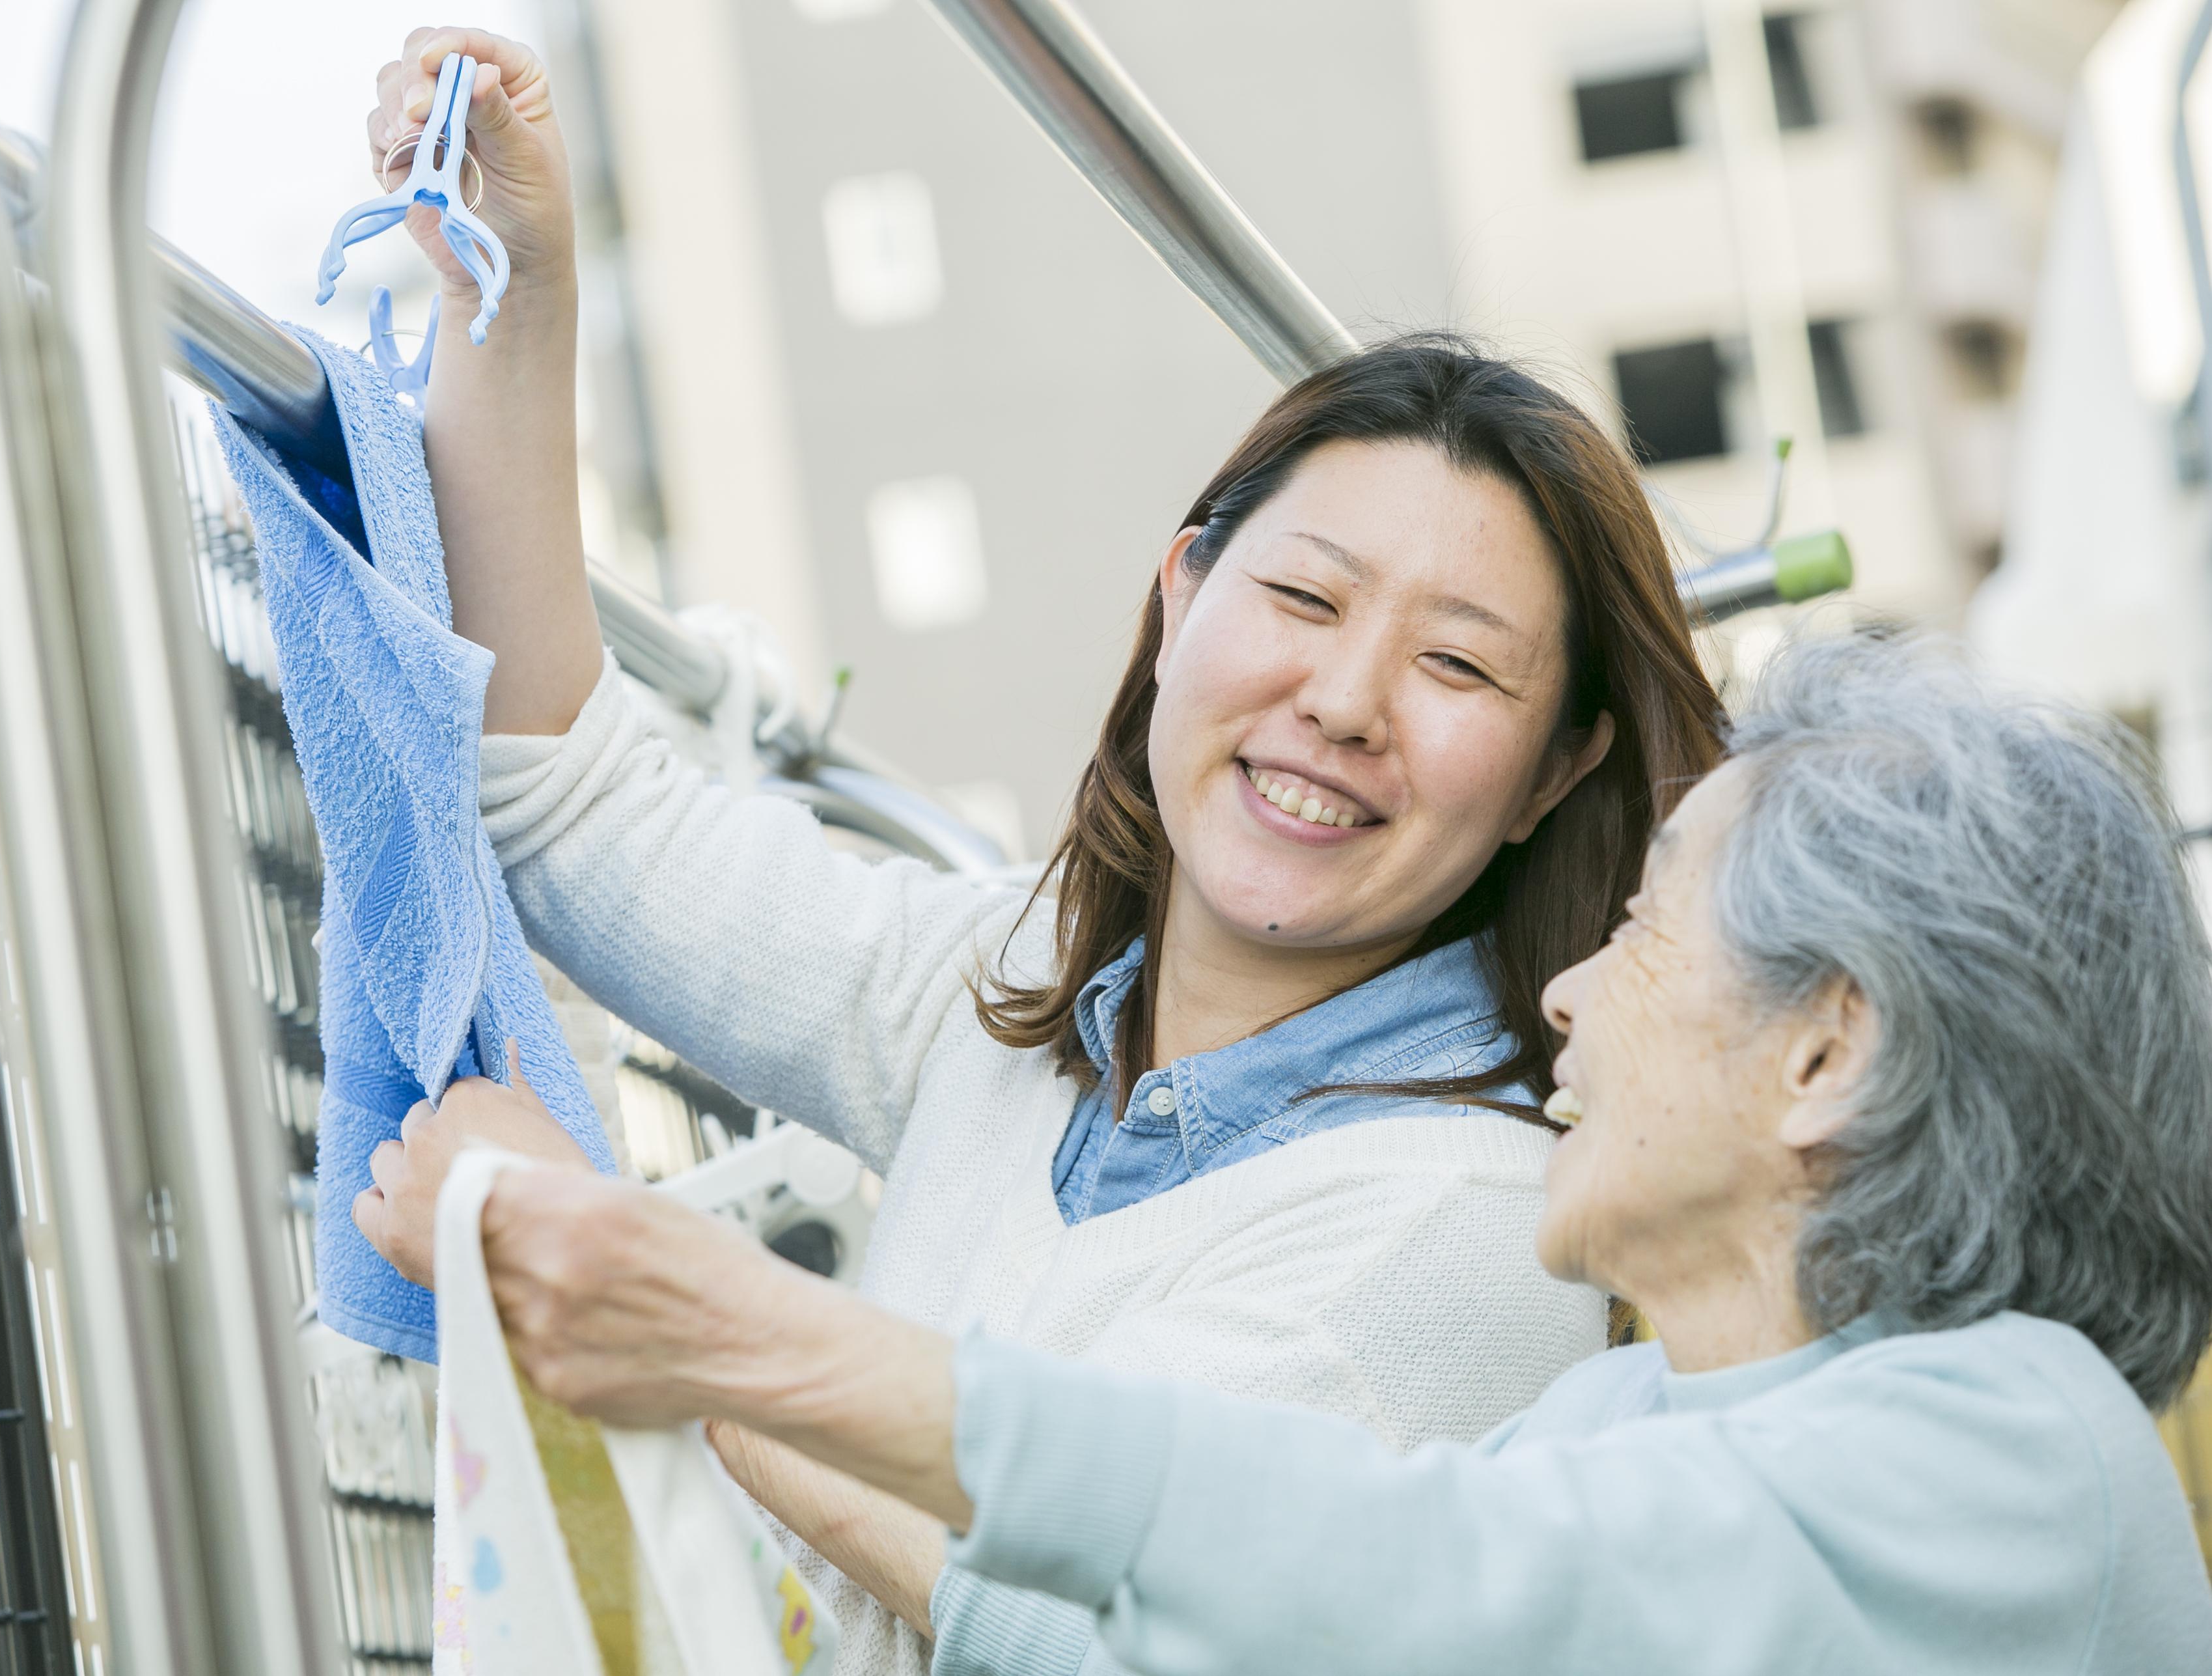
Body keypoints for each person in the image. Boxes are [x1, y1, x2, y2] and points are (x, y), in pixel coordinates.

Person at [352, 27, 1717, 1673]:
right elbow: (578, 804)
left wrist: (614, 1277)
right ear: (1179, 593)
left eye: (1455, 666)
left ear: (1553, 773)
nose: (1343, 702)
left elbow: (1092, 1633)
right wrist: (518, 286)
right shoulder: (1022, 991)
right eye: (1299, 597)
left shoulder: (1473, 1219)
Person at [367, 631, 2212, 1674]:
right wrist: (667, 1340)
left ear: (1825, 1046)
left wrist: (722, 1325)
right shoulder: (1624, 1434)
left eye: (1645, 929)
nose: (1563, 990)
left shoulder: (2031, 1446)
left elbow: (1442, 1575)